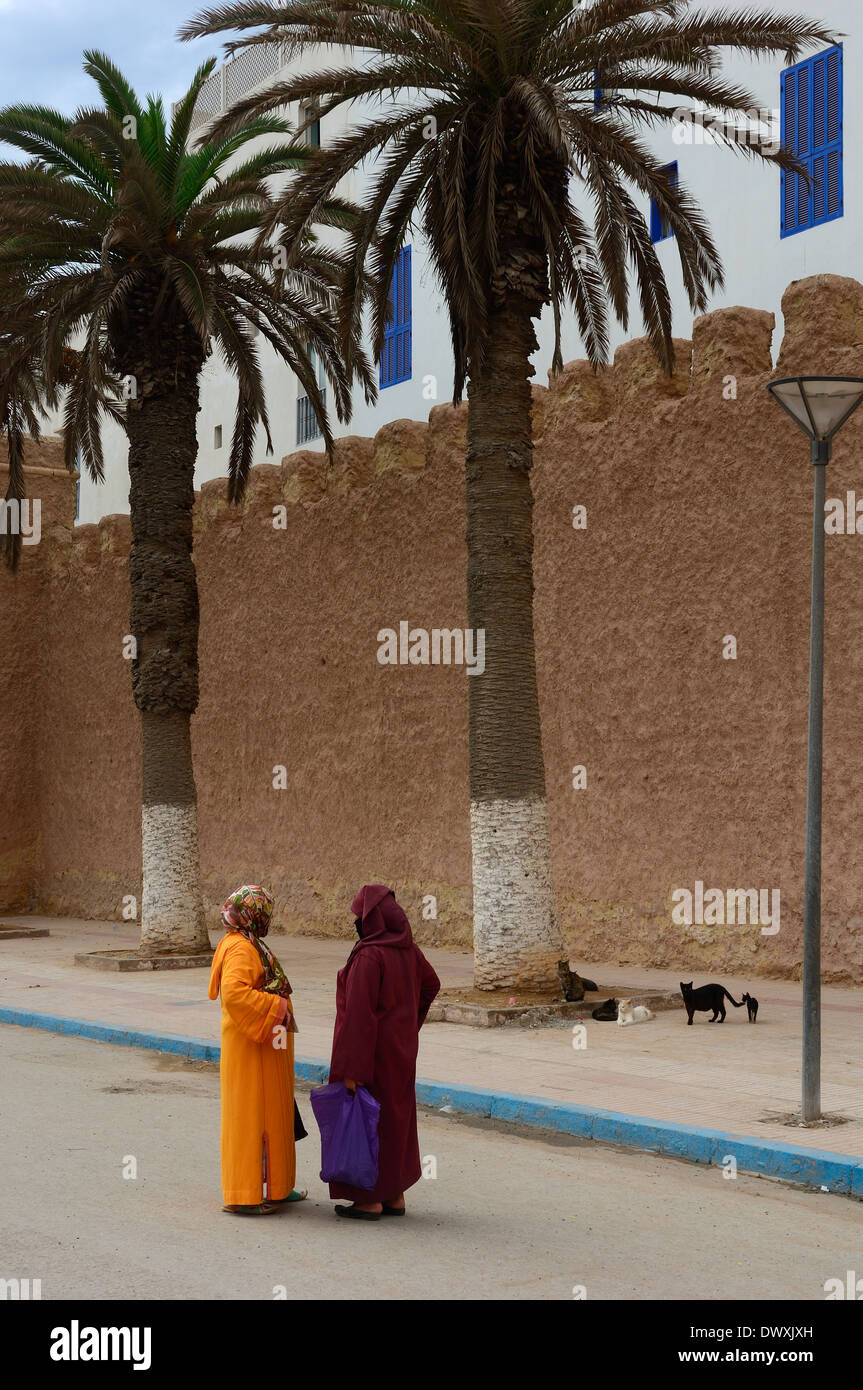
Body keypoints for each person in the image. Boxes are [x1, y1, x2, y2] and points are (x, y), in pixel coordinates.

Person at [328, 883, 441, 1220]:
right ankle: (394, 1194)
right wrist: (406, 1026)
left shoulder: (370, 956)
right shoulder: (408, 950)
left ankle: (368, 1199)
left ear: (373, 920)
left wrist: (351, 1071)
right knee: (394, 1120)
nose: (356, 924)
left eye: (360, 917)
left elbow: (359, 1019)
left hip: (372, 1058)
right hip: (401, 1054)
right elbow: (430, 985)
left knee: (367, 1122)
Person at [208, 885, 307, 1215]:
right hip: (249, 1050)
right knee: (248, 1119)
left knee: (274, 1117)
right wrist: (277, 1006)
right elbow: (235, 994)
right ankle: (243, 1195)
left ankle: (278, 1186)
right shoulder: (239, 949)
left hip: (265, 1047)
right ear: (253, 915)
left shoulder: (247, 943)